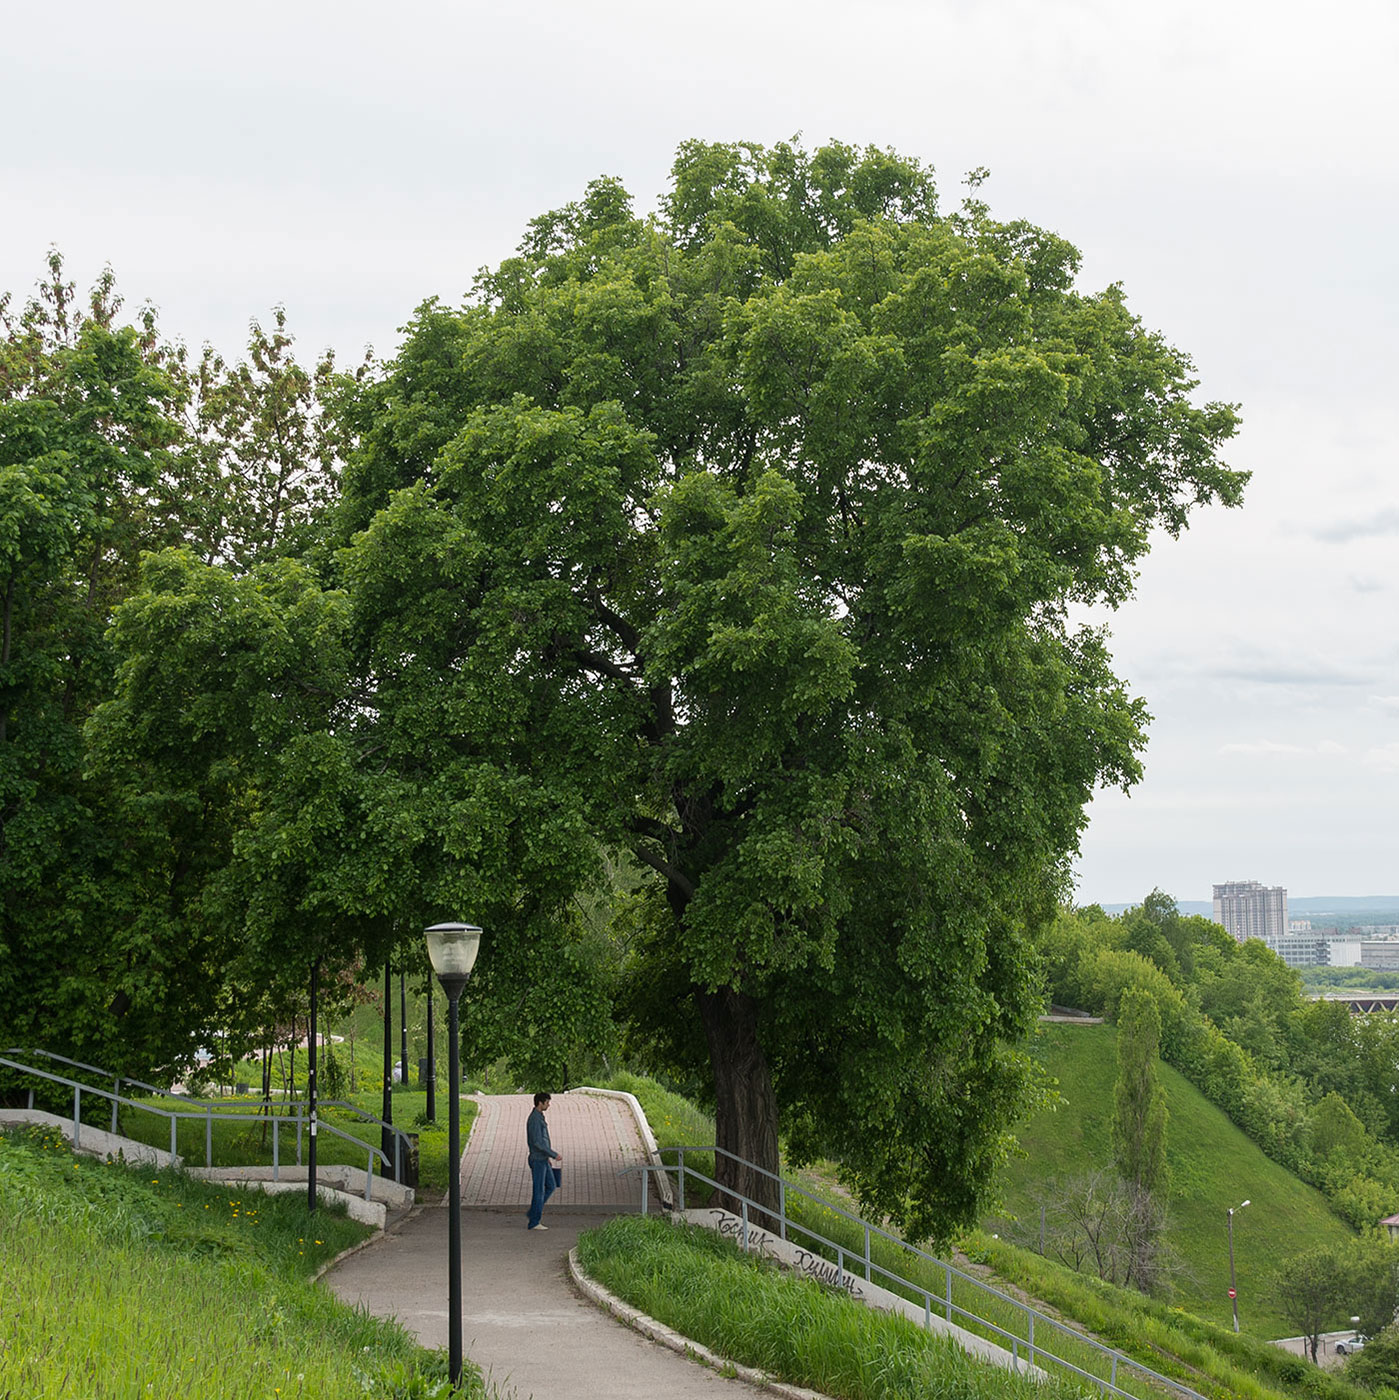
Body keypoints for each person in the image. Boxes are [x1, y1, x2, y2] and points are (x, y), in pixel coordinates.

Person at [525, 1091, 563, 1230]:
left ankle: (534, 1211)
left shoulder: (539, 1116)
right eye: (547, 1102)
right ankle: (534, 1221)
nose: (549, 1105)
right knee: (539, 1190)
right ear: (540, 1103)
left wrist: (547, 1157)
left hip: (543, 1159)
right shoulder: (535, 1119)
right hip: (538, 1159)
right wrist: (553, 1154)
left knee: (551, 1185)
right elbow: (537, 1142)